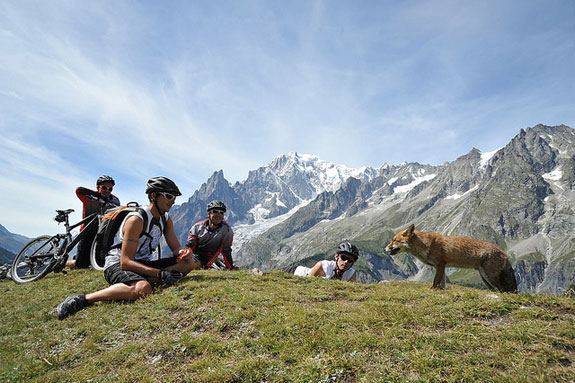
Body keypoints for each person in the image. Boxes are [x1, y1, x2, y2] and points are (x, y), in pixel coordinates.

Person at [56, 177, 195, 320]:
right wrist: (160, 274)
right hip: (117, 264)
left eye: (174, 198)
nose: (173, 201)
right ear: (154, 195)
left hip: (142, 263)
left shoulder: (165, 219)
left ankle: (144, 280)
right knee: (143, 289)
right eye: (169, 196)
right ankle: (82, 299)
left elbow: (176, 247)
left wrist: (183, 252)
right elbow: (126, 262)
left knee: (189, 263)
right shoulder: (136, 220)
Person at [66, 175, 121, 269]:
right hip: (88, 231)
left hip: (103, 231)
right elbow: (78, 190)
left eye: (110, 189)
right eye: (104, 187)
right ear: (98, 187)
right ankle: (65, 263)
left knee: (97, 258)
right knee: (80, 265)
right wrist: (97, 196)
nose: (107, 190)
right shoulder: (88, 197)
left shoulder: (115, 200)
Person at [180, 200, 237, 270]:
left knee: (193, 265)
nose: (218, 215)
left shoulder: (226, 230)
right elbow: (189, 246)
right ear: (209, 213)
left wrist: (230, 267)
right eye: (215, 211)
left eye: (221, 213)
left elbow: (226, 250)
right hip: (193, 256)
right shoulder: (197, 227)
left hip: (207, 261)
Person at [294, 242, 360, 282]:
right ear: (337, 256)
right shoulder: (323, 266)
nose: (346, 262)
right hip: (295, 272)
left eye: (350, 260)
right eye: (343, 258)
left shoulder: (351, 273)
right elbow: (307, 283)